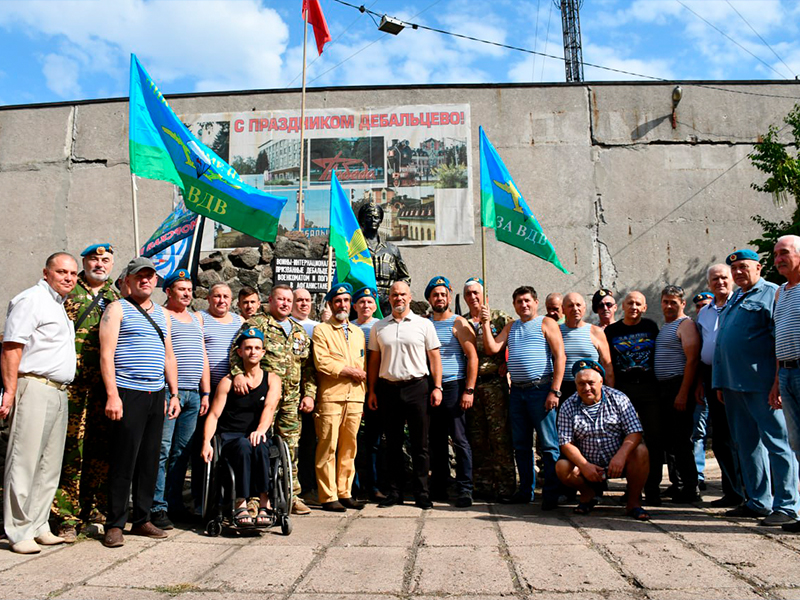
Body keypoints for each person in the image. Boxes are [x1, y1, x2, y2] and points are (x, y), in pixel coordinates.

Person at [98, 257, 181, 548]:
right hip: (127, 391)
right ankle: (115, 523)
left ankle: (142, 518)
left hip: (156, 394)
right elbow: (106, 355)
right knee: (124, 460)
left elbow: (169, 355)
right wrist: (112, 395)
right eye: (139, 277)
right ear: (128, 281)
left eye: (149, 276)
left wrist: (174, 394)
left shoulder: (162, 314)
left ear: (156, 281)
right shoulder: (116, 309)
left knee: (149, 459)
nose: (145, 281)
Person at [714, 249, 800, 527]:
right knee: (746, 445)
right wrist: (719, 381)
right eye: (734, 268)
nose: (738, 272)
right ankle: (757, 501)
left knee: (778, 443)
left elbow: (780, 339)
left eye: (743, 267)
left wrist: (776, 382)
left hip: (761, 384)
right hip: (732, 384)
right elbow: (723, 342)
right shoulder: (735, 296)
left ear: (759, 268)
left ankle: (787, 505)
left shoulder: (773, 293)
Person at [1, 252, 78, 554]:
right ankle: (18, 531)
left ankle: (38, 524)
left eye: (72, 274)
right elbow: (11, 348)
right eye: (62, 272)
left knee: (48, 465)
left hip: (58, 391)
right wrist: (9, 391)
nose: (68, 278)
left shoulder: (58, 306)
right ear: (46, 272)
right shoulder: (30, 299)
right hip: (33, 386)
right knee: (24, 461)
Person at [230, 284, 317, 516]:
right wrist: (238, 374)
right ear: (270, 300)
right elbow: (236, 352)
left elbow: (308, 368)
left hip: (291, 400)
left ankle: (292, 495)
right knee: (259, 445)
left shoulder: (299, 331)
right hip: (262, 397)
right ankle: (255, 498)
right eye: (280, 299)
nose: (285, 304)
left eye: (289, 300)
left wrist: (309, 394)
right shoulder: (256, 325)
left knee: (291, 448)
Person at [52, 243, 119, 542]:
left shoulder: (115, 298)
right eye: (94, 259)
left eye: (105, 260)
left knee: (101, 451)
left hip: (104, 389)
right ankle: (65, 516)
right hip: (72, 387)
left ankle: (95, 511)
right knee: (69, 451)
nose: (100, 264)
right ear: (84, 262)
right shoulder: (66, 292)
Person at [481, 285, 566, 509]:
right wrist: (485, 323)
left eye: (527, 300)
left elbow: (560, 357)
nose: (524, 305)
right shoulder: (512, 326)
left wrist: (554, 391)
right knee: (521, 444)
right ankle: (526, 490)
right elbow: (492, 348)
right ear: (514, 305)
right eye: (519, 301)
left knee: (548, 445)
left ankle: (551, 493)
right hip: (517, 392)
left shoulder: (546, 323)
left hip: (541, 390)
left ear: (536, 303)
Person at [368, 281, 442, 509]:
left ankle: (422, 493)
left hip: (417, 388)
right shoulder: (379, 327)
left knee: (421, 445)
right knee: (392, 444)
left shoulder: (424, 324)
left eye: (402, 295)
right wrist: (372, 390)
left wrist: (437, 386)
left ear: (410, 297)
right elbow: (374, 362)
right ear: (388, 299)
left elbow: (435, 358)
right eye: (394, 295)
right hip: (388, 389)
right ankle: (395, 492)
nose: (398, 298)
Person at [201, 328, 280, 528]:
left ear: (263, 352)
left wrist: (261, 430)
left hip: (257, 433)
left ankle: (264, 502)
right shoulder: (227, 382)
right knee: (244, 446)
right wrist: (206, 443)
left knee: (261, 445)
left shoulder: (272, 379)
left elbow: (270, 408)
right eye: (248, 348)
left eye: (257, 348)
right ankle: (240, 503)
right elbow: (214, 415)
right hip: (231, 437)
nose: (253, 352)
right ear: (240, 352)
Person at [151, 270, 210, 530]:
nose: (187, 293)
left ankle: (174, 503)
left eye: (189, 289)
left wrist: (205, 392)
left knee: (181, 453)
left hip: (194, 395)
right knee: (162, 450)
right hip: (169, 392)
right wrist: (171, 392)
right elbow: (166, 353)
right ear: (168, 291)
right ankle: (157, 506)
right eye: (181, 289)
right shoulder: (163, 314)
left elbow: (203, 356)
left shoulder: (197, 317)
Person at [556, 360, 650, 519]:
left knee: (641, 451)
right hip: (588, 465)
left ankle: (633, 503)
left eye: (591, 383)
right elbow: (566, 443)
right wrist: (584, 465)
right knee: (561, 466)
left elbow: (635, 432)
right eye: (581, 384)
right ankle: (588, 495)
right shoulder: (568, 405)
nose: (586, 388)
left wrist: (621, 457)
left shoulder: (618, 399)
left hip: (619, 461)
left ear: (601, 381)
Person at [312, 284, 367, 512]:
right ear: (331, 304)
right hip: (331, 397)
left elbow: (363, 364)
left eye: (346, 301)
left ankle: (345, 492)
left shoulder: (358, 333)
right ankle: (328, 495)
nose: (342, 305)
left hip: (354, 397)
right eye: (337, 301)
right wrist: (350, 372)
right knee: (328, 446)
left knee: (349, 447)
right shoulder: (321, 330)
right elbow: (322, 362)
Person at [604, 291, 662, 505]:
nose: (634, 307)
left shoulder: (650, 327)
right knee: (625, 441)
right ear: (622, 306)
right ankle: (632, 490)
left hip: (649, 390)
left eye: (638, 304)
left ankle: (653, 489)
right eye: (630, 303)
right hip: (623, 390)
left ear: (644, 307)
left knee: (654, 440)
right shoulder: (612, 331)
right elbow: (607, 362)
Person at [191, 283, 243, 516]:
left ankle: (228, 496)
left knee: (227, 445)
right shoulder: (200, 318)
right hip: (207, 392)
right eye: (217, 296)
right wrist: (204, 391)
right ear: (209, 298)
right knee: (203, 445)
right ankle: (201, 499)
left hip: (233, 393)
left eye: (226, 296)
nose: (221, 300)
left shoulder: (239, 322)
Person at [425, 276, 478, 507]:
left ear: (449, 296)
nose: (440, 298)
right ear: (429, 298)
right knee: (435, 439)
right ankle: (439, 485)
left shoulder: (459, 323)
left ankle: (465, 488)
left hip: (455, 386)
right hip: (430, 387)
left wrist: (469, 389)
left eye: (443, 294)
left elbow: (472, 357)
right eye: (435, 295)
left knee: (459, 438)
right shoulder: (424, 323)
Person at [461, 277, 515, 502]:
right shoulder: (461, 321)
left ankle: (505, 486)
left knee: (499, 436)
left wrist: (509, 364)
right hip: (472, 385)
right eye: (468, 294)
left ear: (485, 295)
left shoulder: (500, 318)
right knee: (477, 436)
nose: (473, 297)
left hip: (495, 383)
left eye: (476, 292)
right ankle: (482, 484)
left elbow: (518, 343)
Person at [695, 265, 744, 508]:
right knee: (722, 436)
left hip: (738, 373)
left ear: (732, 279)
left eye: (724, 277)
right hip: (712, 375)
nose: (720, 282)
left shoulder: (741, 304)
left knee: (744, 434)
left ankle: (753, 490)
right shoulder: (704, 312)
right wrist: (701, 383)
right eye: (715, 279)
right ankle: (732, 491)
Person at [654, 285, 701, 503]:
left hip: (678, 386)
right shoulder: (667, 326)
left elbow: (692, 360)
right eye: (666, 301)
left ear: (682, 303)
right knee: (671, 441)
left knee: (682, 440)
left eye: (674, 302)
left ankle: (691, 488)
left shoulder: (686, 324)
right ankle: (678, 484)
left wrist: (683, 393)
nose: (669, 305)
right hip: (664, 388)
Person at [772, 235, 800, 532]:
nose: (778, 258)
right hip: (787, 374)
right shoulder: (780, 292)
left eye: (784, 253)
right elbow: (780, 337)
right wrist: (778, 380)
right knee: (797, 445)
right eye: (776, 254)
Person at [352, 286, 385, 501]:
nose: (365, 306)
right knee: (350, 440)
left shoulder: (381, 327)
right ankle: (352, 487)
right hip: (352, 388)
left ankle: (375, 486)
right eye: (361, 303)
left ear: (375, 306)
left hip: (377, 389)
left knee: (374, 440)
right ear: (355, 306)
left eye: (370, 303)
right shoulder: (347, 327)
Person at [290, 287, 320, 504]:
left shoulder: (318, 328)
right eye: (299, 300)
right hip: (286, 393)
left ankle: (307, 487)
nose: (303, 304)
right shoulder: (284, 326)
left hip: (310, 392)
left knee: (309, 442)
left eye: (307, 300)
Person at [357, 202, 411, 315]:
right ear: (362, 221)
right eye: (369, 217)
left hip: (388, 306)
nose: (373, 220)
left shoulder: (392, 250)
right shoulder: (354, 249)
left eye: (376, 217)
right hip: (363, 305)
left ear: (381, 220)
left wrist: (397, 295)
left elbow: (405, 277)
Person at [559, 292, 614, 400]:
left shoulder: (596, 332)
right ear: (563, 309)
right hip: (564, 388)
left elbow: (607, 365)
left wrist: (609, 394)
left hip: (591, 388)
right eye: (570, 305)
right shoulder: (556, 332)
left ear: (584, 308)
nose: (575, 309)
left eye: (578, 305)